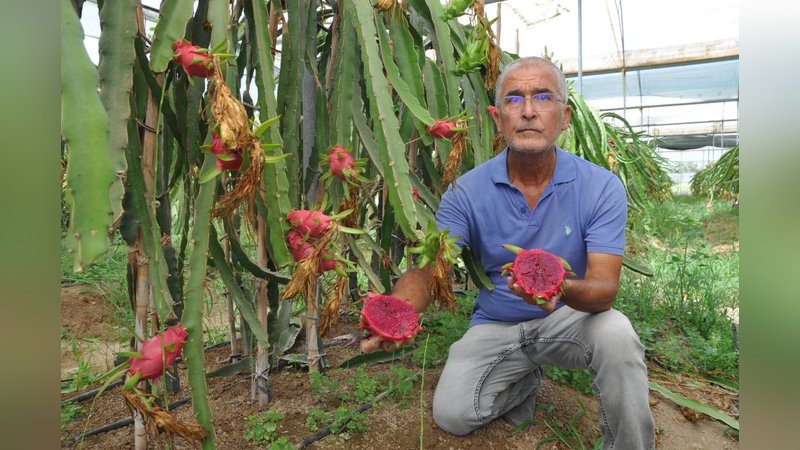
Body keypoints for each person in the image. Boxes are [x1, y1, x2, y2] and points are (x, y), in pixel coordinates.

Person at [360, 56, 655, 449]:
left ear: (564, 116)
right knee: (453, 414)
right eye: (514, 100)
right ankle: (524, 381)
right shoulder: (466, 192)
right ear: (497, 119)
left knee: (617, 333)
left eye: (543, 97)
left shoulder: (600, 187)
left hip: (570, 318)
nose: (529, 111)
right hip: (495, 324)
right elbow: (433, 270)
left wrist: (553, 286)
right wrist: (399, 309)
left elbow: (604, 289)